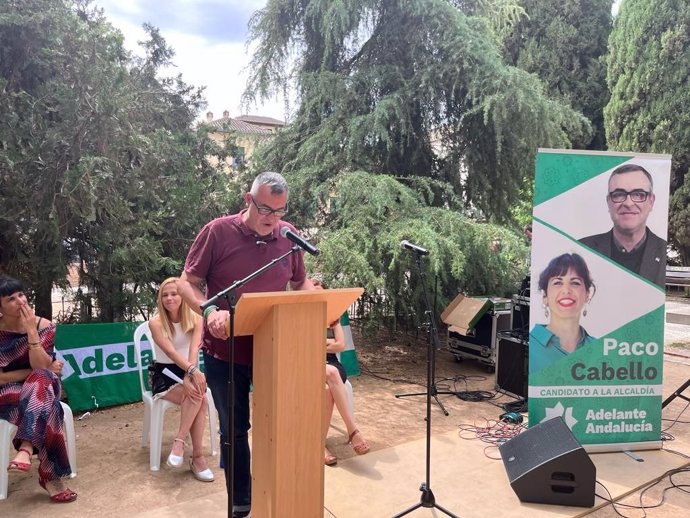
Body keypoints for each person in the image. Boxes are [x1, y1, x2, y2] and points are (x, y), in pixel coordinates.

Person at [177, 172, 314, 518]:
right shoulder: (218, 232)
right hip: (226, 351)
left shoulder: (288, 236)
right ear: (247, 199)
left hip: (276, 349)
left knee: (283, 422)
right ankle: (241, 505)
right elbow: (187, 284)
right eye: (265, 209)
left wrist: (317, 308)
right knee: (236, 429)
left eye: (280, 211)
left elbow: (301, 284)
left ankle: (280, 497)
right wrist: (208, 312)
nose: (273, 218)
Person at [0, 276, 77, 503]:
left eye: (21, 295)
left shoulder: (43, 326)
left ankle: (25, 447)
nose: (20, 301)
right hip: (9, 393)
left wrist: (32, 334)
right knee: (47, 403)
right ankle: (50, 477)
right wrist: (38, 370)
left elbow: (43, 369)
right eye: (11, 299)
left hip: (42, 383)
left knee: (42, 380)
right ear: (1, 308)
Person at [147, 277, 213, 482]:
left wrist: (190, 374)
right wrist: (192, 372)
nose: (169, 298)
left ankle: (180, 444)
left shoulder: (196, 317)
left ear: (182, 296)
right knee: (198, 397)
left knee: (196, 394)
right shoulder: (155, 322)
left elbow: (194, 349)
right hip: (164, 373)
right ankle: (197, 457)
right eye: (165, 295)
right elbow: (171, 352)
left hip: (188, 368)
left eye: (174, 293)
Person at [579, 163, 666, 288]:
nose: (628, 203)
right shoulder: (582, 250)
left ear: (651, 201)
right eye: (619, 194)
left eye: (638, 194)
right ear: (608, 202)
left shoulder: (664, 252)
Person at [312, 279, 369, 466]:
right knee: (331, 376)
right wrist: (327, 344)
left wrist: (317, 344)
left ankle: (320, 445)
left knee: (330, 382)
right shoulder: (304, 314)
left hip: (332, 364)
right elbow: (304, 347)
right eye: (313, 292)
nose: (317, 295)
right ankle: (353, 431)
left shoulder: (333, 316)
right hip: (310, 365)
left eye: (321, 292)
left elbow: (341, 345)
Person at [529, 253, 596, 373]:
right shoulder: (530, 345)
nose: (566, 290)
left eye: (575, 283)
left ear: (587, 294)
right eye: (557, 283)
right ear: (545, 296)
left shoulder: (600, 349)